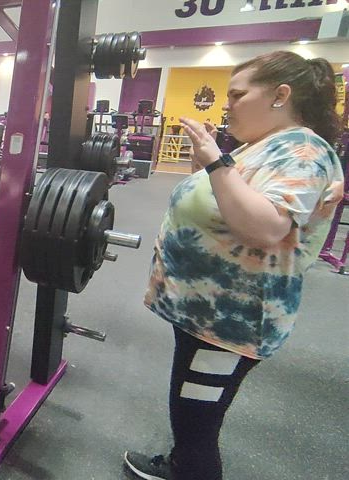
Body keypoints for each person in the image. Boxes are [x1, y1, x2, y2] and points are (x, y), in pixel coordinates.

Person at [124, 51, 345, 480]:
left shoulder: (302, 151)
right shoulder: (264, 147)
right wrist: (203, 162)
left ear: (281, 94)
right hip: (206, 312)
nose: (228, 104)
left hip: (231, 322)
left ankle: (189, 470)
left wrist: (215, 161)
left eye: (238, 94)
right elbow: (221, 200)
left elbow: (263, 227)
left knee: (196, 419)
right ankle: (182, 462)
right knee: (193, 404)